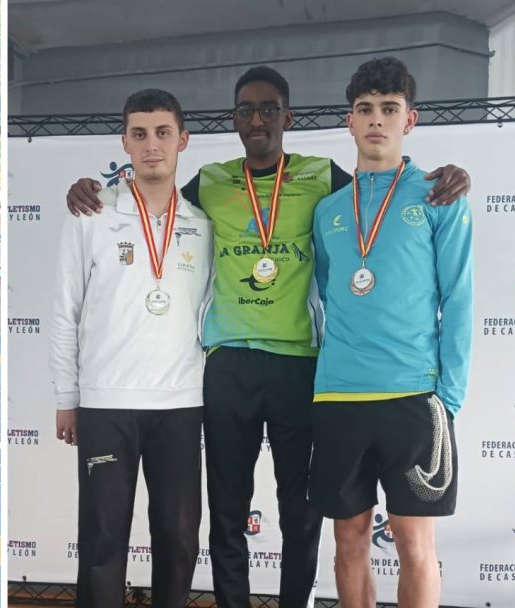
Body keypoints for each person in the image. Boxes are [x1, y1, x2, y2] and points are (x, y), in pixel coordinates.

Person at [65, 67, 470, 607]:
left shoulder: (323, 179)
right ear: (233, 121)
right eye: (246, 110)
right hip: (229, 364)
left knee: (300, 512)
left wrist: (447, 176)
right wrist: (96, 188)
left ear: (288, 116)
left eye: (269, 109)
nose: (257, 120)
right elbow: (149, 200)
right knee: (227, 510)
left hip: (300, 365)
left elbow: (383, 193)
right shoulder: (209, 181)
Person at [310, 56, 472, 607]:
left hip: (414, 397)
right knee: (348, 539)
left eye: (389, 108)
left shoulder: (439, 197)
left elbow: (459, 299)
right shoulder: (328, 209)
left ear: (411, 119)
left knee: (414, 543)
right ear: (349, 122)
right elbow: (331, 290)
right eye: (365, 109)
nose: (376, 119)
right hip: (338, 397)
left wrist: (447, 398)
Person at [51, 89, 212, 608]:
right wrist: (66, 396)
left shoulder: (204, 226)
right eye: (139, 134)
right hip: (107, 403)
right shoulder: (91, 214)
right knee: (102, 543)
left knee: (181, 541)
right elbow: (64, 311)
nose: (151, 145)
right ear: (124, 141)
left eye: (163, 133)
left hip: (182, 403)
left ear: (182, 140)